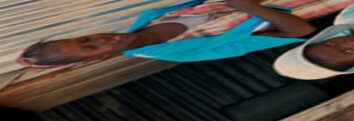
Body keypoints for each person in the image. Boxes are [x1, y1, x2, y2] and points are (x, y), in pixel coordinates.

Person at [17, 0, 318, 67]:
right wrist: (249, 7)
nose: (100, 39)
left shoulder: (151, 15)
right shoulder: (190, 51)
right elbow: (301, 31)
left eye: (87, 38)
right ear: (103, 58)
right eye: (90, 48)